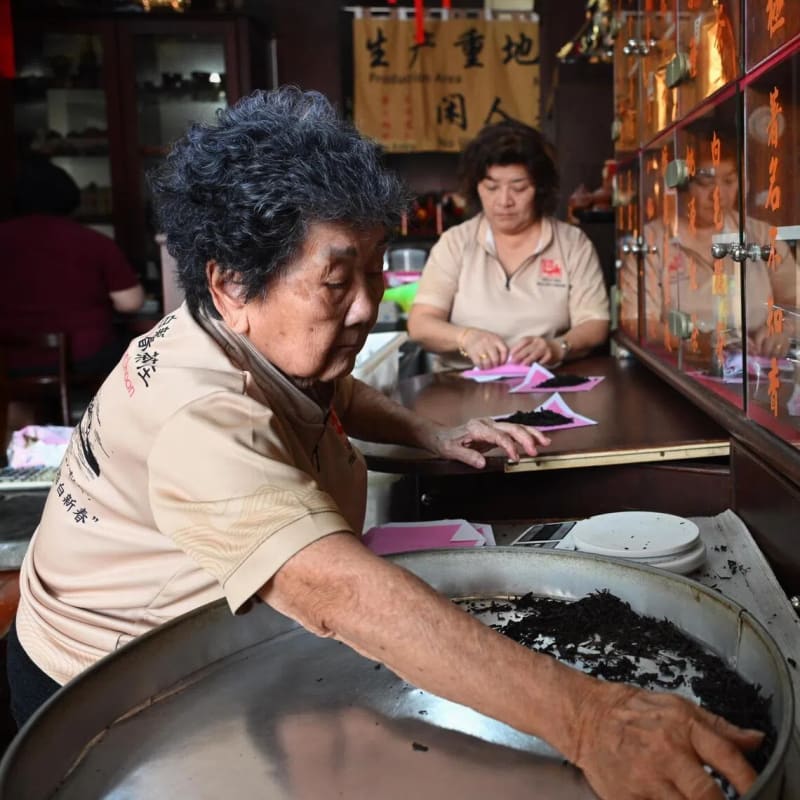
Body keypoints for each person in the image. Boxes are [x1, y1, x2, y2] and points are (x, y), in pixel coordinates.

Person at [7, 88, 762, 800]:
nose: (368, 306)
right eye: (338, 280)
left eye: (375, 270)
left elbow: (330, 385)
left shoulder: (249, 333)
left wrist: (431, 430)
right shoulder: (197, 416)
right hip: (115, 692)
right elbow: (338, 595)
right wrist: (593, 719)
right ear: (233, 281)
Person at [407, 120, 610, 371]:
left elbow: (595, 322)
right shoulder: (455, 243)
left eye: (519, 187)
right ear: (476, 188)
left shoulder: (572, 243)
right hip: (463, 385)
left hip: (547, 382)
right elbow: (420, 324)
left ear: (540, 189)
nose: (504, 201)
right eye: (491, 187)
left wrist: (558, 347)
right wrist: (466, 338)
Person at [636, 132, 798, 361]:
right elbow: (640, 323)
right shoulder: (654, 239)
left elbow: (795, 304)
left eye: (729, 182)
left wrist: (782, 329)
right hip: (681, 367)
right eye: (705, 183)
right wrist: (700, 343)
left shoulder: (761, 235)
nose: (717, 194)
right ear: (682, 185)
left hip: (757, 369)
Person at [0, 156, 145, 378]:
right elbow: (130, 302)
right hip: (86, 354)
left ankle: (22, 412)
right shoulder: (93, 241)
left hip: (11, 357)